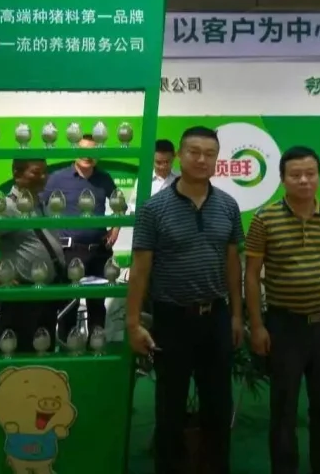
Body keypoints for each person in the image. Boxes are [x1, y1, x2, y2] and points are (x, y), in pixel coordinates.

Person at [126, 126, 244, 474]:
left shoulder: (228, 206)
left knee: (218, 404)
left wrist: (237, 316)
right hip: (172, 319)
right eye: (194, 152)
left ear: (217, 159)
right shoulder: (154, 208)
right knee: (170, 407)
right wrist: (133, 322)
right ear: (180, 155)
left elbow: (233, 264)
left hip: (216, 316)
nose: (201, 159)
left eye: (209, 153)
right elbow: (140, 269)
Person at [245, 146, 320, 474]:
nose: (304, 180)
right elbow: (251, 274)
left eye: (310, 174)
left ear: (318, 177)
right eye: (295, 175)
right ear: (283, 179)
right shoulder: (265, 219)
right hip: (284, 326)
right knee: (284, 409)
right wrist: (257, 325)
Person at [0, 159, 67, 352]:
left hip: (45, 296)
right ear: (17, 174)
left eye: (45, 172)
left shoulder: (40, 204)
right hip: (22, 300)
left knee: (42, 358)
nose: (43, 177)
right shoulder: (7, 207)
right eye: (36, 172)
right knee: (17, 360)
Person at [43, 134, 118, 340]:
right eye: (83, 150)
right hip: (69, 251)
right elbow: (39, 206)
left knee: (97, 305)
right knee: (69, 304)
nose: (87, 156)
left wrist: (115, 229)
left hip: (99, 251)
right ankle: (68, 350)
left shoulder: (104, 179)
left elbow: (119, 205)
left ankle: (95, 349)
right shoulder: (58, 178)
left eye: (92, 152)